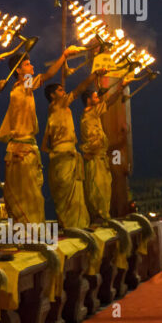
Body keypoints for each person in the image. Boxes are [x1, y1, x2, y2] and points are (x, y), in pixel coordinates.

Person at [0, 46, 81, 225]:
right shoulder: (22, 88)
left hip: (27, 149)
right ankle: (26, 234)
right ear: (18, 71)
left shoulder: (23, 87)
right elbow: (49, 75)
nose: (32, 67)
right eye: (27, 64)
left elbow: (46, 76)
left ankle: (30, 233)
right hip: (21, 151)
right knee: (27, 196)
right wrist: (63, 55)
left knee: (32, 195)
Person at [42, 69, 108, 229]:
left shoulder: (58, 110)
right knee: (68, 195)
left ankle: (77, 225)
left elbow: (45, 143)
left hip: (67, 155)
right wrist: (93, 75)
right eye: (60, 90)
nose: (64, 92)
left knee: (76, 195)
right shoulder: (57, 105)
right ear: (53, 96)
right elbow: (78, 90)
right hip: (64, 156)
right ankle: (72, 227)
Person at [80, 75, 132, 225]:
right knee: (96, 190)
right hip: (95, 159)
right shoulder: (87, 116)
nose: (98, 99)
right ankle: (99, 218)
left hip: (101, 159)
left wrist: (121, 88)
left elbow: (108, 102)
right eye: (96, 97)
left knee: (105, 189)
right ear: (89, 100)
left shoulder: (94, 113)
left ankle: (104, 217)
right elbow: (91, 142)